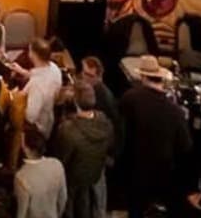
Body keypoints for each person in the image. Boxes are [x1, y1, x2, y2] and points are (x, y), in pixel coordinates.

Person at [118, 57, 191, 216]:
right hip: (163, 174)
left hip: (135, 170)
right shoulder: (176, 111)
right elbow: (185, 146)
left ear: (143, 77)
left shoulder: (130, 98)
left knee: (135, 210)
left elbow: (120, 135)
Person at [52, 83, 112, 218]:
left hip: (73, 177)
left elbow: (61, 159)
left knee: (70, 206)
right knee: (85, 203)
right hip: (93, 172)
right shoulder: (104, 121)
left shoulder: (68, 130)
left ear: (75, 102)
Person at [14, 127, 66, 218]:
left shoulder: (21, 177)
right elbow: (63, 198)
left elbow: (22, 212)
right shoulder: (56, 164)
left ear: (27, 149)